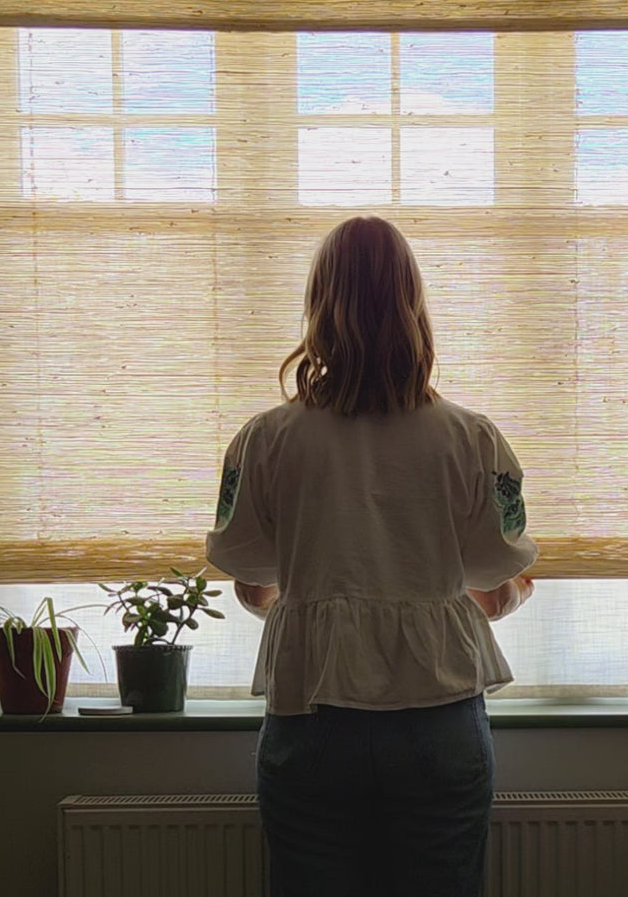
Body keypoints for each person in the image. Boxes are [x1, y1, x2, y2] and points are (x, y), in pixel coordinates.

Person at [205, 214, 538, 897]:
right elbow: (497, 580)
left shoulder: (262, 440)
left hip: (308, 716)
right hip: (439, 719)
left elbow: (250, 581)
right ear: (414, 305)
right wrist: (488, 592)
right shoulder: (474, 440)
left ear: (318, 308)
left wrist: (315, 582)